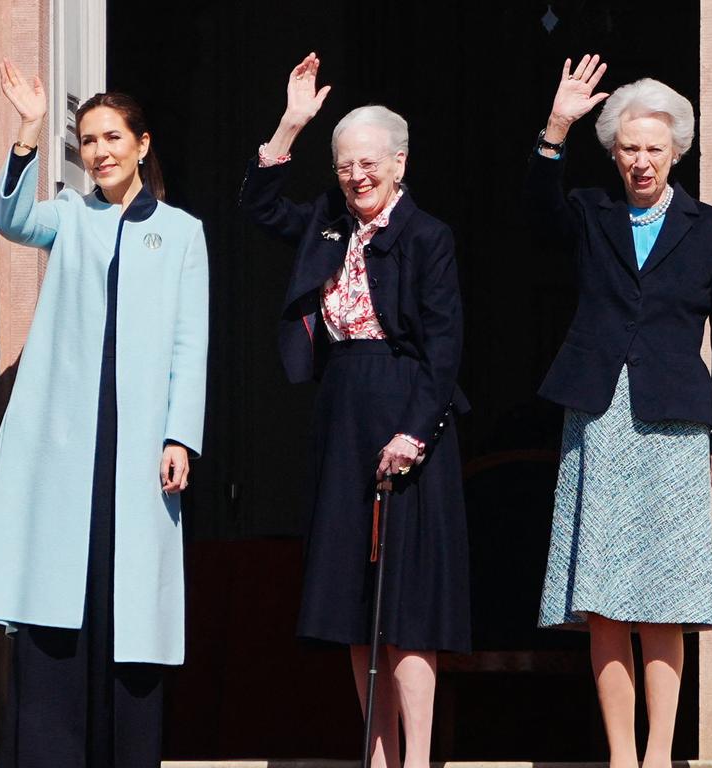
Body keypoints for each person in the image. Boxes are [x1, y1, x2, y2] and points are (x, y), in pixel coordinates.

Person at [0, 59, 208, 768]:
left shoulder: (183, 233)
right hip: (68, 444)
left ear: (141, 144)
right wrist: (29, 130)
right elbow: (10, 217)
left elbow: (192, 342)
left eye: (110, 137)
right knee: (57, 593)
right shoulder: (70, 216)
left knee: (126, 605)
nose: (98, 151)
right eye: (88, 140)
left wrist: (179, 435)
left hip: (140, 450)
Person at [239, 53, 471, 768]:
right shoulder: (329, 227)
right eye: (344, 166)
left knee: (408, 603)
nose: (357, 176)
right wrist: (290, 124)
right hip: (341, 409)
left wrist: (414, 432)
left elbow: (444, 347)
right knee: (351, 596)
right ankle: (376, 754)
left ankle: (418, 756)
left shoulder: (427, 236)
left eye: (369, 164)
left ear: (399, 164)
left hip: (408, 414)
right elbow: (258, 203)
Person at [531, 55, 712, 768]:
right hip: (597, 417)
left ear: (676, 151)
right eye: (629, 148)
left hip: (675, 421)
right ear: (614, 154)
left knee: (664, 594)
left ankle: (658, 755)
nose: (642, 161)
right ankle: (621, 755)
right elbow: (533, 211)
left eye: (655, 148)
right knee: (603, 597)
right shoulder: (591, 213)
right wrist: (557, 125)